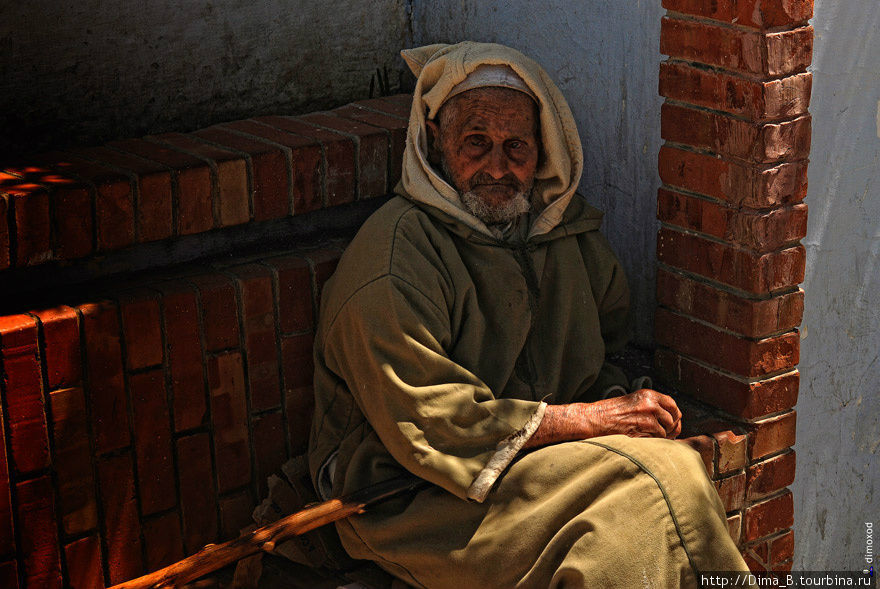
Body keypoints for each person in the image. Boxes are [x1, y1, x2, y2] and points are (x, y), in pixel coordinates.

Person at [307, 41, 750, 588]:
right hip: (412, 495)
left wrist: (615, 400)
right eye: (476, 142)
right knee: (660, 481)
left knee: (643, 509)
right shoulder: (398, 255)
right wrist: (590, 420)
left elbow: (607, 349)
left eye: (516, 146)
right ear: (437, 146)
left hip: (534, 464)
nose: (498, 165)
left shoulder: (560, 236)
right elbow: (429, 422)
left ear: (544, 152)